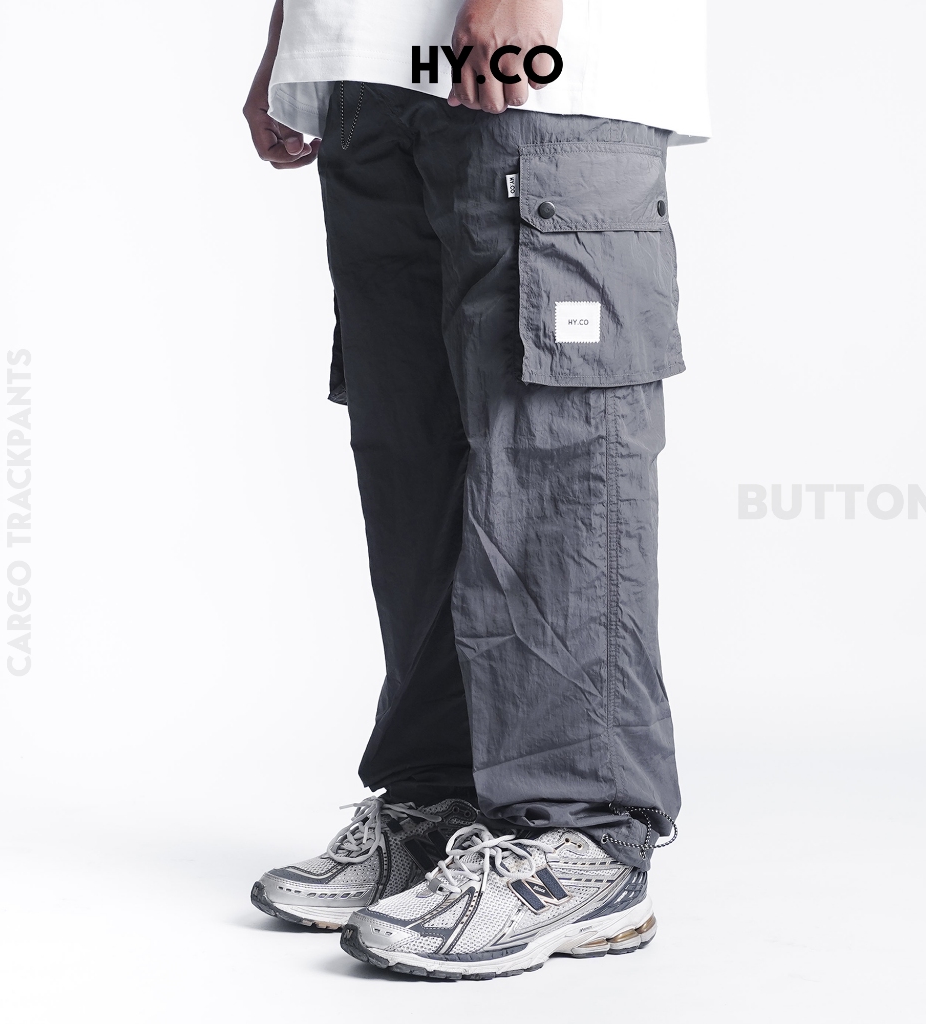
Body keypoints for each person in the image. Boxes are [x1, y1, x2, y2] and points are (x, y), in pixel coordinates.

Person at [244, 0, 709, 979]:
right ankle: (444, 804)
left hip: (542, 70)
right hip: (372, 72)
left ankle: (581, 836)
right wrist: (292, 40)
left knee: (554, 461)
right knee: (417, 455)